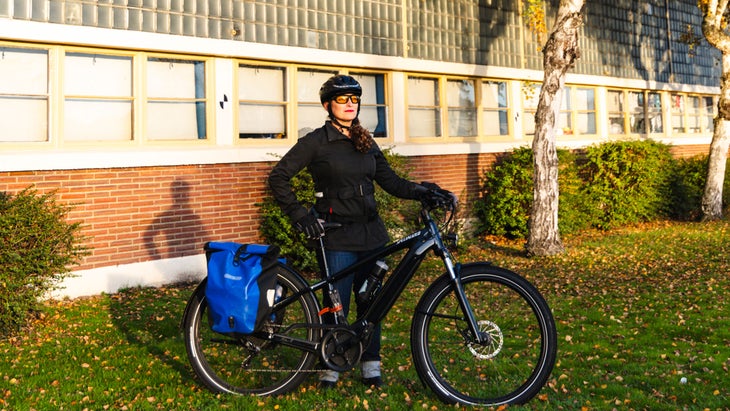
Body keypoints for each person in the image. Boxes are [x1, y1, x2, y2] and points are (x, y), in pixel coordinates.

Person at [268, 74, 450, 389]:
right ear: (328, 105)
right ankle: (332, 365)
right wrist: (300, 216)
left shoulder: (364, 140)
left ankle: (370, 364)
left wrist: (426, 191)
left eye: (354, 99)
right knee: (336, 303)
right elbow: (278, 177)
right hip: (337, 236)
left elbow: (391, 182)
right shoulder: (316, 142)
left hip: (372, 236)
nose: (349, 104)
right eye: (342, 99)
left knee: (372, 303)